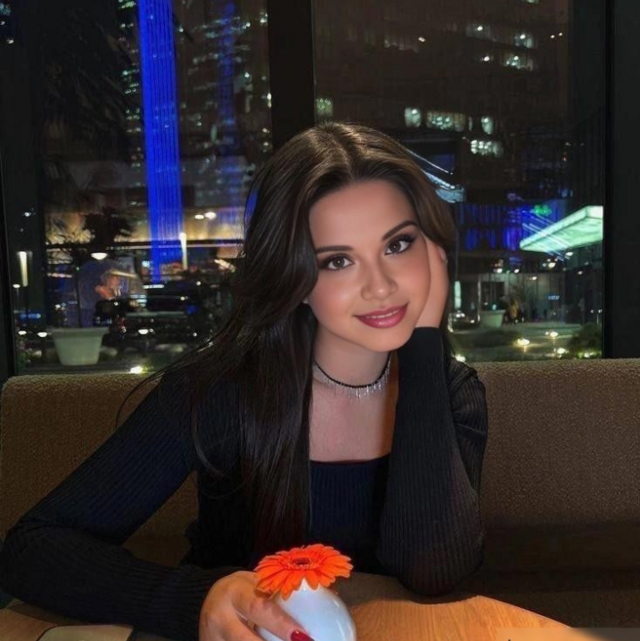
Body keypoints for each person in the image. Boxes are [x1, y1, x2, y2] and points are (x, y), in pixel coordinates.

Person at [0, 122, 489, 641]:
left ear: (433, 251)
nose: (381, 286)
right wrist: (197, 599)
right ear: (294, 279)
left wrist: (423, 349)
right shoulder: (221, 391)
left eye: (399, 245)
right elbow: (32, 547)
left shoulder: (451, 393)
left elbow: (432, 571)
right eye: (338, 261)